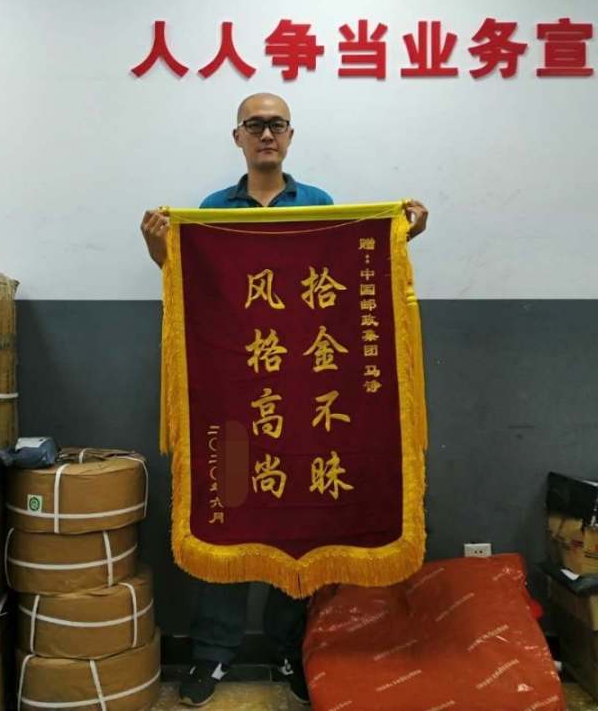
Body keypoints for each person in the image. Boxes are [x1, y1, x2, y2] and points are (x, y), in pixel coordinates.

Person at [140, 93, 428, 707]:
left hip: (303, 397)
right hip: (233, 401)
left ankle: (288, 648)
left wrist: (401, 234)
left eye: (276, 125)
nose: (266, 134)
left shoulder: (319, 204)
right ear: (238, 137)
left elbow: (347, 277)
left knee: (297, 517)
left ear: (290, 136)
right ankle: (213, 653)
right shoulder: (211, 211)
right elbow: (189, 287)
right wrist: (160, 246)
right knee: (227, 517)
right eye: (255, 125)